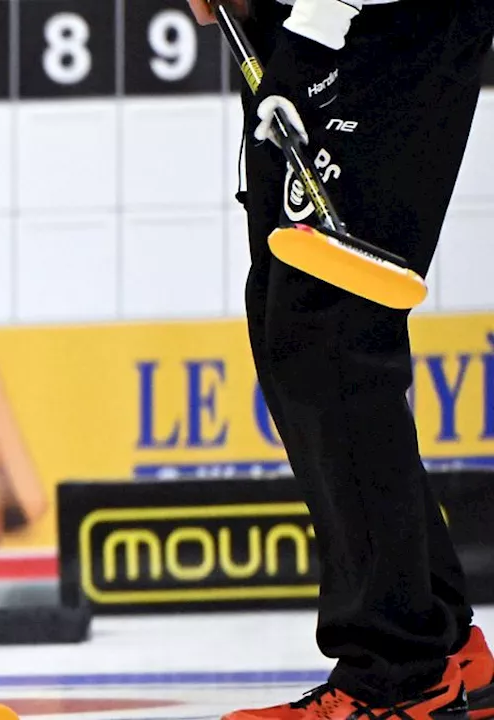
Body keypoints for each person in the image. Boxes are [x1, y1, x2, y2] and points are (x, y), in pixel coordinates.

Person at [185, 0, 494, 717]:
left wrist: (315, 32)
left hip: (370, 24)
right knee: (291, 328)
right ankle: (440, 649)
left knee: (331, 334)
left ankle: (398, 674)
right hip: (304, 20)